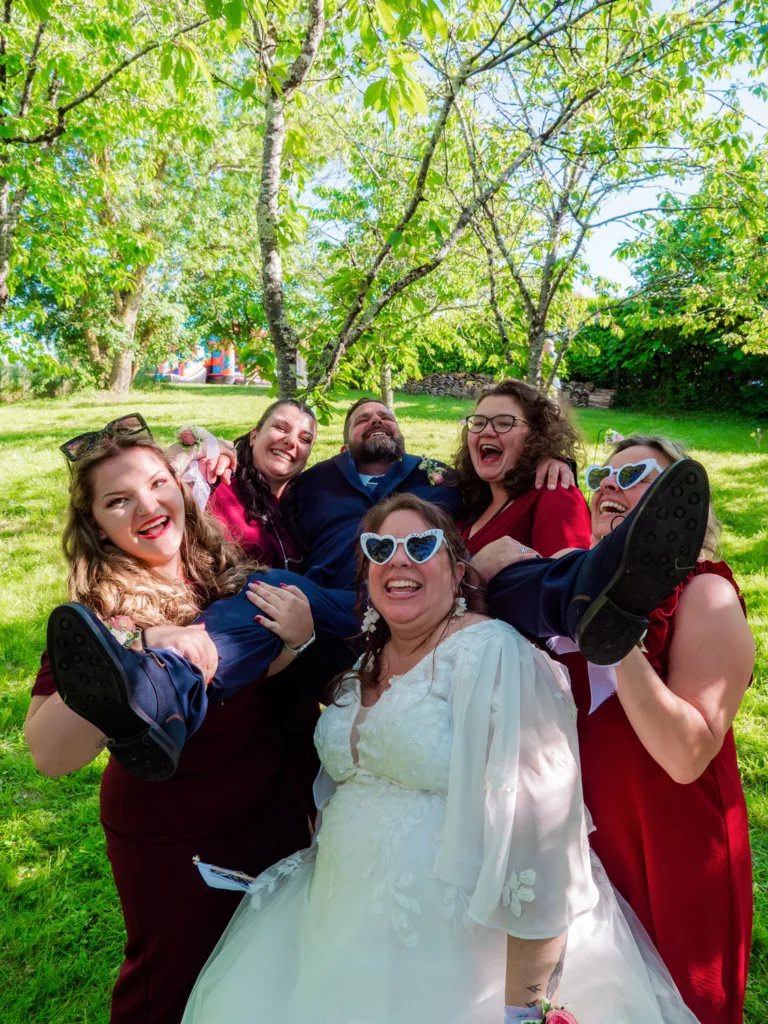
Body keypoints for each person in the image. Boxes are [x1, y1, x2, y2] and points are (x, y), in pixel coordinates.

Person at [182, 495, 699, 1024]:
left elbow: (540, 842)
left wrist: (522, 1009)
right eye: (380, 548)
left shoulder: (492, 652)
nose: (398, 559)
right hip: (332, 930)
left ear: (457, 571)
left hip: (458, 961)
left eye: (420, 545)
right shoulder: (363, 664)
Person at [24, 420, 356, 1024]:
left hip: (273, 809)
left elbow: (267, 679)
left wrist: (297, 643)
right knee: (176, 985)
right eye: (118, 501)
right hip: (178, 834)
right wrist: (140, 645)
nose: (147, 507)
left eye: (157, 484)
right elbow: (48, 754)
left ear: (180, 487)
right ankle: (148, 684)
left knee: (265, 974)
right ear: (95, 525)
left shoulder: (224, 570)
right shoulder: (100, 617)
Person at [572, 436, 753, 1024]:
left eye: (634, 475)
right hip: (588, 838)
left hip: (671, 846)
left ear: (683, 502)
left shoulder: (707, 592)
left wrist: (614, 632)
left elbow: (685, 755)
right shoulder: (571, 587)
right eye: (601, 476)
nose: (607, 484)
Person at [293, 396, 576, 590]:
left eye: (386, 417)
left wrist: (551, 459)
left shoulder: (437, 478)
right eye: (362, 420)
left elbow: (499, 483)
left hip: (410, 595)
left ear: (401, 441)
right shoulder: (316, 482)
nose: (377, 421)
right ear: (344, 449)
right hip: (326, 601)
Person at [455, 379, 592, 564]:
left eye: (504, 423)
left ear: (535, 435)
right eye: (478, 423)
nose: (486, 432)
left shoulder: (556, 496)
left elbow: (568, 577)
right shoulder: (470, 499)